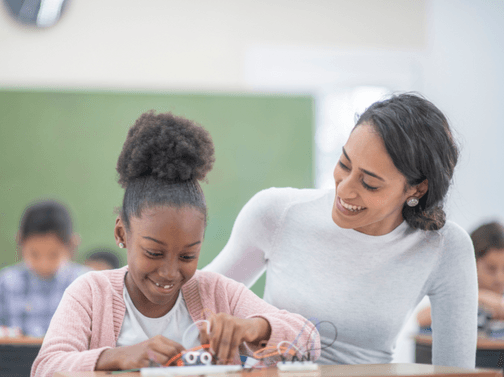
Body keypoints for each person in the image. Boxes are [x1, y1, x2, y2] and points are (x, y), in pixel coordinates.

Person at [31, 111, 320, 377]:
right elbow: (45, 367)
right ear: (121, 234)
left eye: (187, 255)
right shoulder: (91, 293)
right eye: (154, 252)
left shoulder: (217, 293)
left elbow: (309, 341)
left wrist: (256, 327)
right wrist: (117, 357)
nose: (170, 272)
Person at [204, 93, 478, 368]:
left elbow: (456, 371)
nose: (344, 189)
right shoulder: (277, 212)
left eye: (369, 183)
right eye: (344, 164)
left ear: (416, 188)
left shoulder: (445, 247)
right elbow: (197, 297)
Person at [0, 200, 89, 337]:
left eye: (53, 255)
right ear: (20, 242)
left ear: (72, 245)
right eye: (34, 254)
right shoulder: (6, 282)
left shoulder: (86, 283)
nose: (44, 264)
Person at [417, 221, 504, 328]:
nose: (500, 278)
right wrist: (478, 298)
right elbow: (421, 318)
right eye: (491, 269)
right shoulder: (458, 292)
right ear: (472, 264)